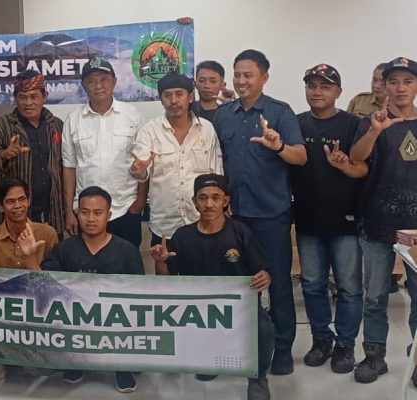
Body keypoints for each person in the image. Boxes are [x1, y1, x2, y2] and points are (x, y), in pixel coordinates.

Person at [212, 49, 307, 375]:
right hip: (233, 216)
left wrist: (278, 145)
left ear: (264, 77)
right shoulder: (223, 115)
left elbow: (300, 157)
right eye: (237, 74)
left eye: (248, 75)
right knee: (237, 283)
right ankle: (239, 345)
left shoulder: (280, 112)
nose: (241, 81)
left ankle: (282, 348)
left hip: (270, 214)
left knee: (277, 282)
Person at [151, 173, 274, 400]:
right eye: (203, 198)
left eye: (215, 198)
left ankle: (257, 378)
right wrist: (160, 262)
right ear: (194, 201)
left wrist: (264, 276)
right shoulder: (182, 236)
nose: (209, 204)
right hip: (199, 310)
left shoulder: (240, 232)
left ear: (225, 201)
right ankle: (210, 361)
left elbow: (262, 270)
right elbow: (166, 281)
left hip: (239, 308)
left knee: (264, 327)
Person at [291, 64, 366, 373]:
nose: (317, 91)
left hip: (345, 222)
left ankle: (346, 345)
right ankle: (322, 339)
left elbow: (364, 168)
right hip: (308, 220)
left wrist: (345, 164)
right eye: (311, 86)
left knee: (349, 287)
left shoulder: (353, 124)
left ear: (338, 91)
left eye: (324, 86)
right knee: (312, 285)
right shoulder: (296, 123)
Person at [349, 57, 417, 384]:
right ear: (384, 86)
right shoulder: (371, 121)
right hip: (377, 224)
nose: (400, 88)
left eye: (408, 81)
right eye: (393, 81)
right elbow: (356, 158)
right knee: (375, 296)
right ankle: (374, 356)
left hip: (416, 229)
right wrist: (375, 131)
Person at [41, 186, 144, 393]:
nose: (90, 219)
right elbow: (45, 284)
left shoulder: (127, 250)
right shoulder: (65, 249)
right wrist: (29, 258)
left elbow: (140, 294)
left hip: (115, 321)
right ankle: (75, 364)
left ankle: (122, 368)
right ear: (77, 214)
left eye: (98, 213)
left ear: (109, 216)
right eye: (85, 212)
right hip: (75, 320)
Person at [0, 178, 58, 389]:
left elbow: (54, 283)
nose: (18, 206)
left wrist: (31, 259)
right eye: (10, 202)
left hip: (36, 304)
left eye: (22, 199)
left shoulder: (47, 234)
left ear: (29, 201)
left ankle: (30, 356)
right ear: (1, 207)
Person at [62, 56, 146, 247]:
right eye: (91, 81)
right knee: (88, 264)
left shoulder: (132, 116)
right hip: (87, 214)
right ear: (84, 85)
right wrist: (69, 211)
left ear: (114, 81)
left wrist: (140, 203)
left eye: (103, 80)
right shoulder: (73, 120)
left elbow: (143, 163)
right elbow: (69, 167)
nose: (98, 86)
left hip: (125, 209)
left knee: (127, 263)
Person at [130, 72, 223, 245]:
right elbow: (141, 172)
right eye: (167, 95)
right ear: (161, 100)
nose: (173, 101)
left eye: (179, 94)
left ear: (190, 97)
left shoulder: (206, 129)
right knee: (164, 261)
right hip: (165, 224)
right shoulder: (149, 131)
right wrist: (139, 170)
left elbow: (217, 174)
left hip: (201, 219)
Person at [0, 70, 64, 237]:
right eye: (22, 97)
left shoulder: (57, 125)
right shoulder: (2, 126)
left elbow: (66, 167)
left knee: (52, 252)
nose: (28, 103)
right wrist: (4, 155)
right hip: (14, 216)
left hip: (52, 214)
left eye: (34, 96)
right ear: (15, 98)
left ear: (45, 96)